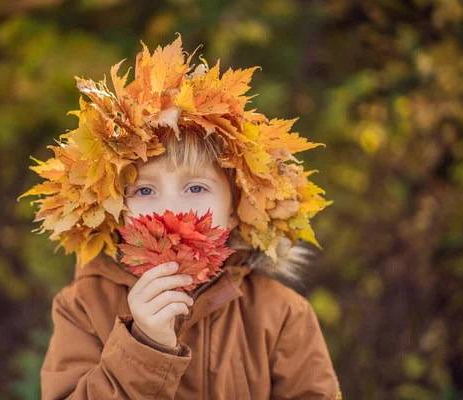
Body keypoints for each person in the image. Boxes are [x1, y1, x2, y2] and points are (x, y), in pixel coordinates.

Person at [27, 33, 342, 399]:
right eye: (144, 191)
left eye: (196, 188)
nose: (170, 210)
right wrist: (144, 346)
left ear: (237, 209)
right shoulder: (82, 306)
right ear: (116, 212)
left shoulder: (283, 315)